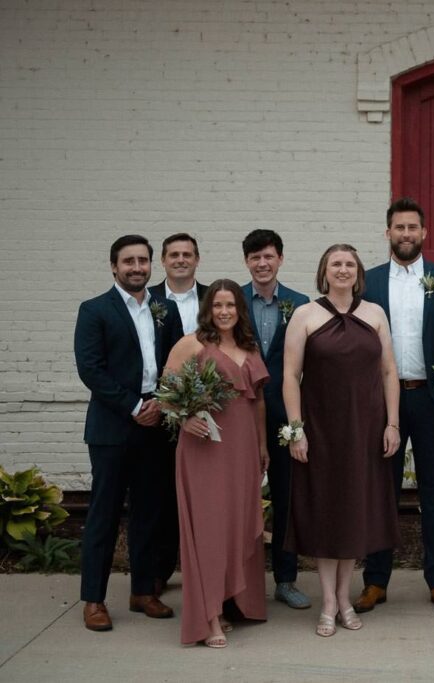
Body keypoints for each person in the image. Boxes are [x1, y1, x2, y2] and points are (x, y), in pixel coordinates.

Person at [355, 197, 434, 615]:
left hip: (430, 399)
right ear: (387, 233)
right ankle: (375, 580)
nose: (406, 234)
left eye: (413, 228)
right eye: (398, 228)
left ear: (425, 233)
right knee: (379, 492)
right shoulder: (367, 281)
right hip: (380, 403)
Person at [282, 244, 401, 636]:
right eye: (336, 263)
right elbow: (290, 377)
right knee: (326, 512)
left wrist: (393, 423)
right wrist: (296, 430)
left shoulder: (375, 313)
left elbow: (388, 372)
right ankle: (328, 601)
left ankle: (346, 596)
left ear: (358, 272)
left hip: (365, 428)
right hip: (321, 429)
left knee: (355, 512)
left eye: (350, 264)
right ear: (324, 270)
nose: (343, 269)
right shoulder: (305, 315)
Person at [73, 235, 183, 632]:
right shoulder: (94, 310)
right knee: (104, 514)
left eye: (143, 260)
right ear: (114, 266)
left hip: (155, 427)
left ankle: (143, 591)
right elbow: (91, 370)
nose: (137, 267)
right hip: (112, 428)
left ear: (151, 265)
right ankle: (94, 599)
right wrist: (135, 406)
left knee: (149, 513)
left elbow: (174, 363)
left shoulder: (164, 309)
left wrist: (163, 404)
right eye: (128, 261)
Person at [163, 279, 269, 648]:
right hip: (204, 447)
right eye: (218, 305)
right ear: (208, 308)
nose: (224, 312)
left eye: (231, 305)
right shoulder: (191, 344)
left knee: (236, 526)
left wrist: (262, 446)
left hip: (241, 449)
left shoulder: (248, 346)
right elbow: (166, 394)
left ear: (240, 309)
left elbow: (256, 401)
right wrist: (185, 417)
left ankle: (229, 602)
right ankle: (208, 617)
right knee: (209, 530)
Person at [241, 229, 311, 610]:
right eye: (255, 258)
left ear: (280, 259)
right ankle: (242, 582)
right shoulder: (229, 300)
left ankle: (285, 580)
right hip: (240, 415)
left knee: (286, 498)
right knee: (239, 498)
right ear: (246, 262)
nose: (262, 264)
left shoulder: (300, 305)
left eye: (268, 256)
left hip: (285, 416)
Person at [148, 232, 208, 595]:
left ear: (197, 259)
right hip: (162, 408)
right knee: (162, 493)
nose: (181, 260)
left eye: (187, 254)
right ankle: (159, 569)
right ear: (164, 261)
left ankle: (202, 570)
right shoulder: (148, 299)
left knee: (202, 493)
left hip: (207, 409)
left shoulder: (213, 298)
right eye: (174, 255)